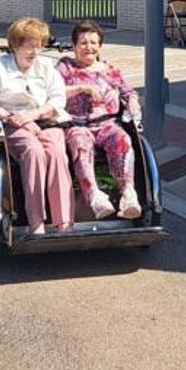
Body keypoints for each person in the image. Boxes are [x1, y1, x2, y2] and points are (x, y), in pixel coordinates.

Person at [0, 17, 74, 236]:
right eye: (28, 46)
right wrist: (13, 117)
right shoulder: (0, 66)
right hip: (13, 123)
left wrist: (34, 115)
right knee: (34, 152)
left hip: (45, 120)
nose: (34, 52)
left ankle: (63, 222)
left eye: (38, 46)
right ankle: (35, 222)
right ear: (15, 45)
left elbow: (58, 99)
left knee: (57, 153)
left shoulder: (46, 66)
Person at [56, 20, 142, 220]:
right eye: (83, 43)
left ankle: (128, 194)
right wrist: (81, 88)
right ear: (75, 46)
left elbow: (128, 91)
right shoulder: (65, 67)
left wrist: (133, 100)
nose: (89, 47)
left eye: (93, 43)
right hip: (78, 124)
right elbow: (53, 92)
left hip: (108, 124)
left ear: (100, 46)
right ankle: (94, 195)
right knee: (80, 144)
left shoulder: (109, 70)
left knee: (123, 140)